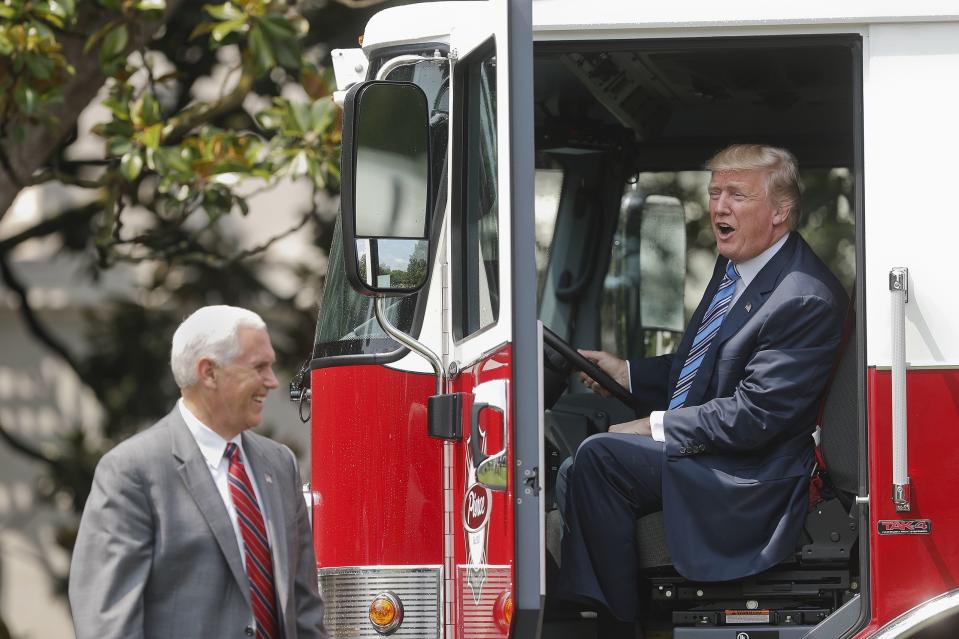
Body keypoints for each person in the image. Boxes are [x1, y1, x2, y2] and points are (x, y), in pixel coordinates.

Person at [556, 144, 848, 638]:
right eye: (715, 193)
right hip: (721, 453)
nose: (719, 207)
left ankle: (617, 626)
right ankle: (591, 611)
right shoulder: (736, 267)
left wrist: (656, 426)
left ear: (780, 212)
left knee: (597, 460)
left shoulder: (802, 297)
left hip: (751, 476)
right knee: (571, 465)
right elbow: (703, 368)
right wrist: (626, 372)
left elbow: (754, 416)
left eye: (737, 194)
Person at [69, 305, 327, 639]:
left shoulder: (279, 464)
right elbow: (108, 623)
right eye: (259, 367)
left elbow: (304, 610)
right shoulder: (131, 470)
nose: (272, 381)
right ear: (208, 372)